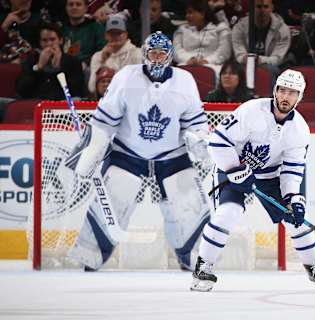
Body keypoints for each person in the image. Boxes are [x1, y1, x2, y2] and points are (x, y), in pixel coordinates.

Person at [67, 31, 211, 271]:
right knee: (114, 201)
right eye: (152, 53)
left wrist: (200, 143)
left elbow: (195, 124)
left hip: (171, 155)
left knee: (189, 205)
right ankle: (88, 255)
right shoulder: (126, 77)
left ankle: (194, 257)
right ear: (144, 54)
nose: (156, 58)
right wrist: (90, 150)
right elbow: (104, 122)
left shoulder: (185, 80)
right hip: (128, 153)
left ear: (170, 56)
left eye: (161, 53)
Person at [190, 69, 315, 292]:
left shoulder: (299, 130)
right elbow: (218, 143)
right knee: (227, 213)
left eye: (292, 92)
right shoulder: (251, 111)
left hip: (269, 176)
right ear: (275, 91)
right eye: (282, 90)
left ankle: (314, 267)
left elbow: (292, 169)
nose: (285, 96)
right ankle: (203, 267)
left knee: (298, 218)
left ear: (299, 97)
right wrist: (234, 169)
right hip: (232, 166)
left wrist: (292, 198)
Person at [16, 23, 85, 100]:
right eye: (44, 40)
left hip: (62, 104)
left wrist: (58, 69)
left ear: (61, 40)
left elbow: (77, 91)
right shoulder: (31, 60)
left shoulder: (73, 61)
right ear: (40, 42)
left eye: (52, 39)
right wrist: (38, 67)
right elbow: (22, 90)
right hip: (36, 102)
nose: (49, 44)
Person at [173, 0, 232, 75]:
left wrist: (207, 61)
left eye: (190, 12)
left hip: (213, 67)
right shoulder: (181, 30)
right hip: (186, 64)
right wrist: (189, 59)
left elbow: (224, 51)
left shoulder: (221, 28)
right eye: (186, 13)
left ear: (202, 14)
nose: (187, 16)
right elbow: (176, 51)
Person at [88, 14, 142, 95]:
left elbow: (139, 84)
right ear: (106, 36)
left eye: (118, 33)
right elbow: (92, 87)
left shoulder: (137, 53)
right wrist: (102, 62)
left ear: (126, 34)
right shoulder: (97, 56)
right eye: (111, 33)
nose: (115, 36)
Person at [232, 0, 291, 73]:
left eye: (266, 7)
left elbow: (277, 58)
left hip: (271, 65)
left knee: (272, 70)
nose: (262, 10)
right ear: (252, 8)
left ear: (272, 8)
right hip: (245, 63)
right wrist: (244, 58)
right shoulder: (239, 27)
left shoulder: (282, 29)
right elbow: (239, 54)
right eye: (258, 7)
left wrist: (258, 59)